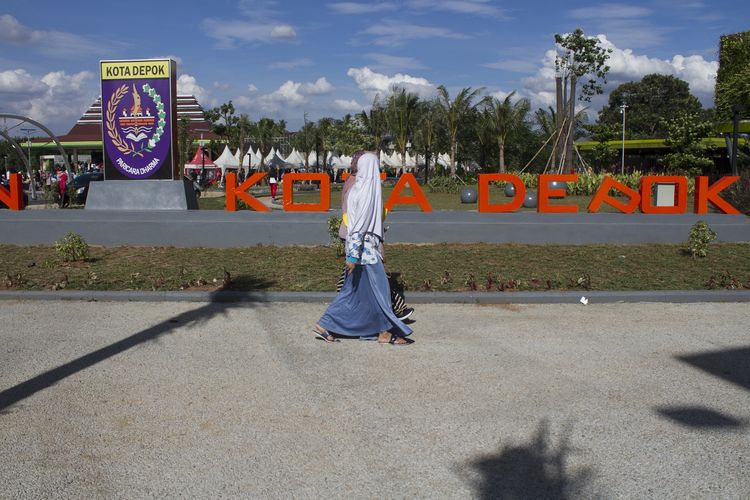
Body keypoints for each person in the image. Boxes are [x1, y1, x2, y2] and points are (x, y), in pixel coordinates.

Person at [314, 152, 413, 345]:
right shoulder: (367, 191)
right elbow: (358, 226)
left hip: (359, 250)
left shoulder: (356, 189)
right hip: (365, 252)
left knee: (356, 291)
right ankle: (383, 332)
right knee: (378, 291)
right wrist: (352, 256)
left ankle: (330, 325)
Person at [337, 151, 413, 321]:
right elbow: (358, 219)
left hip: (359, 238)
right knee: (372, 280)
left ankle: (384, 317)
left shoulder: (357, 182)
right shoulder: (359, 185)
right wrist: (354, 249)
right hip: (362, 240)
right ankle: (391, 313)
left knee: (357, 279)